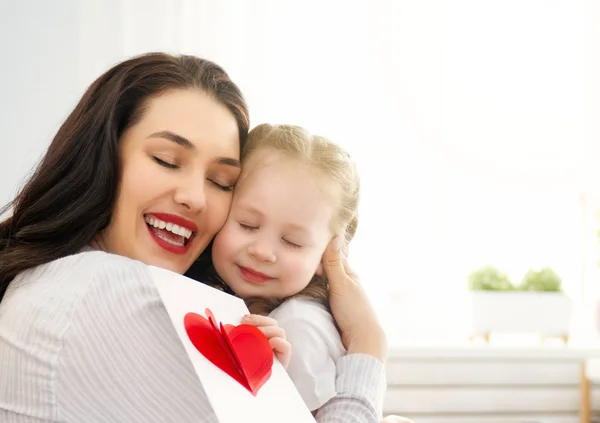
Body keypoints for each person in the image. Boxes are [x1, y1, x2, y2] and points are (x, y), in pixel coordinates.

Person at [0, 52, 387, 423]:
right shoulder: (113, 292)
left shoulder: (57, 279)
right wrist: (368, 350)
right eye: (167, 160)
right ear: (103, 156)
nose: (195, 198)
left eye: (221, 181)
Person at [203, 123, 359, 414]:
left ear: (328, 256)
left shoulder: (299, 327)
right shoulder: (210, 298)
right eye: (247, 224)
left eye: (293, 242)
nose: (262, 252)